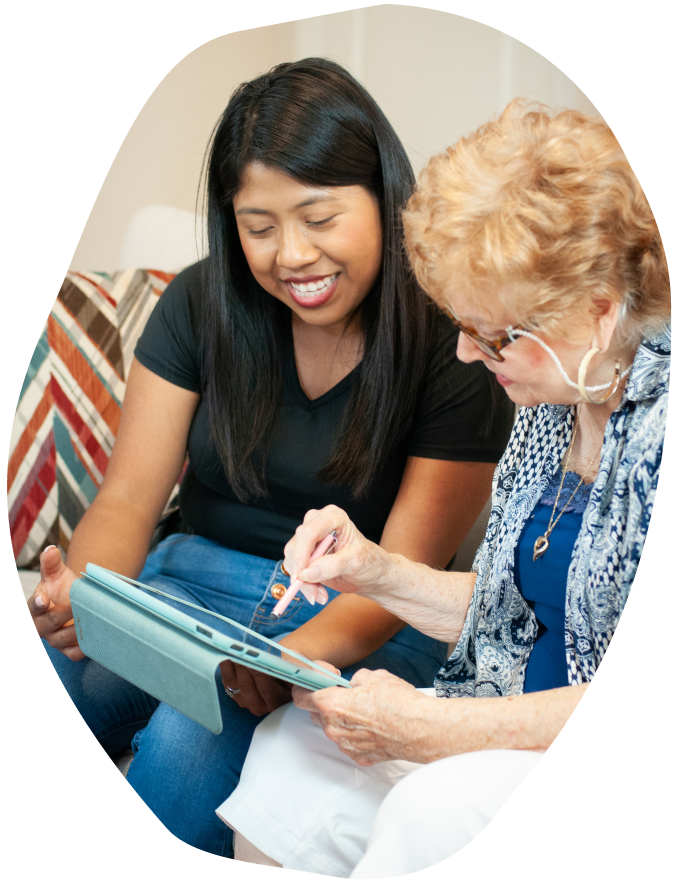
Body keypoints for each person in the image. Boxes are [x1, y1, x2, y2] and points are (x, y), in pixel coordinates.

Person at [26, 59, 514, 856]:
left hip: (359, 619)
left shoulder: (449, 340)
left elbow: (401, 572)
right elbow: (125, 503)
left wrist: (286, 660)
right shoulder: (200, 301)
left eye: (319, 218)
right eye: (259, 227)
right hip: (185, 583)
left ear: (385, 200)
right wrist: (91, 598)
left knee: (190, 744)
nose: (292, 255)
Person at [217, 99, 670, 875]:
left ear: (597, 314)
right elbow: (507, 606)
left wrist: (434, 729)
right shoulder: (556, 399)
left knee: (433, 809)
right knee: (293, 746)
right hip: (495, 712)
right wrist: (372, 569)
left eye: (492, 334)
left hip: (525, 734)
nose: (465, 353)